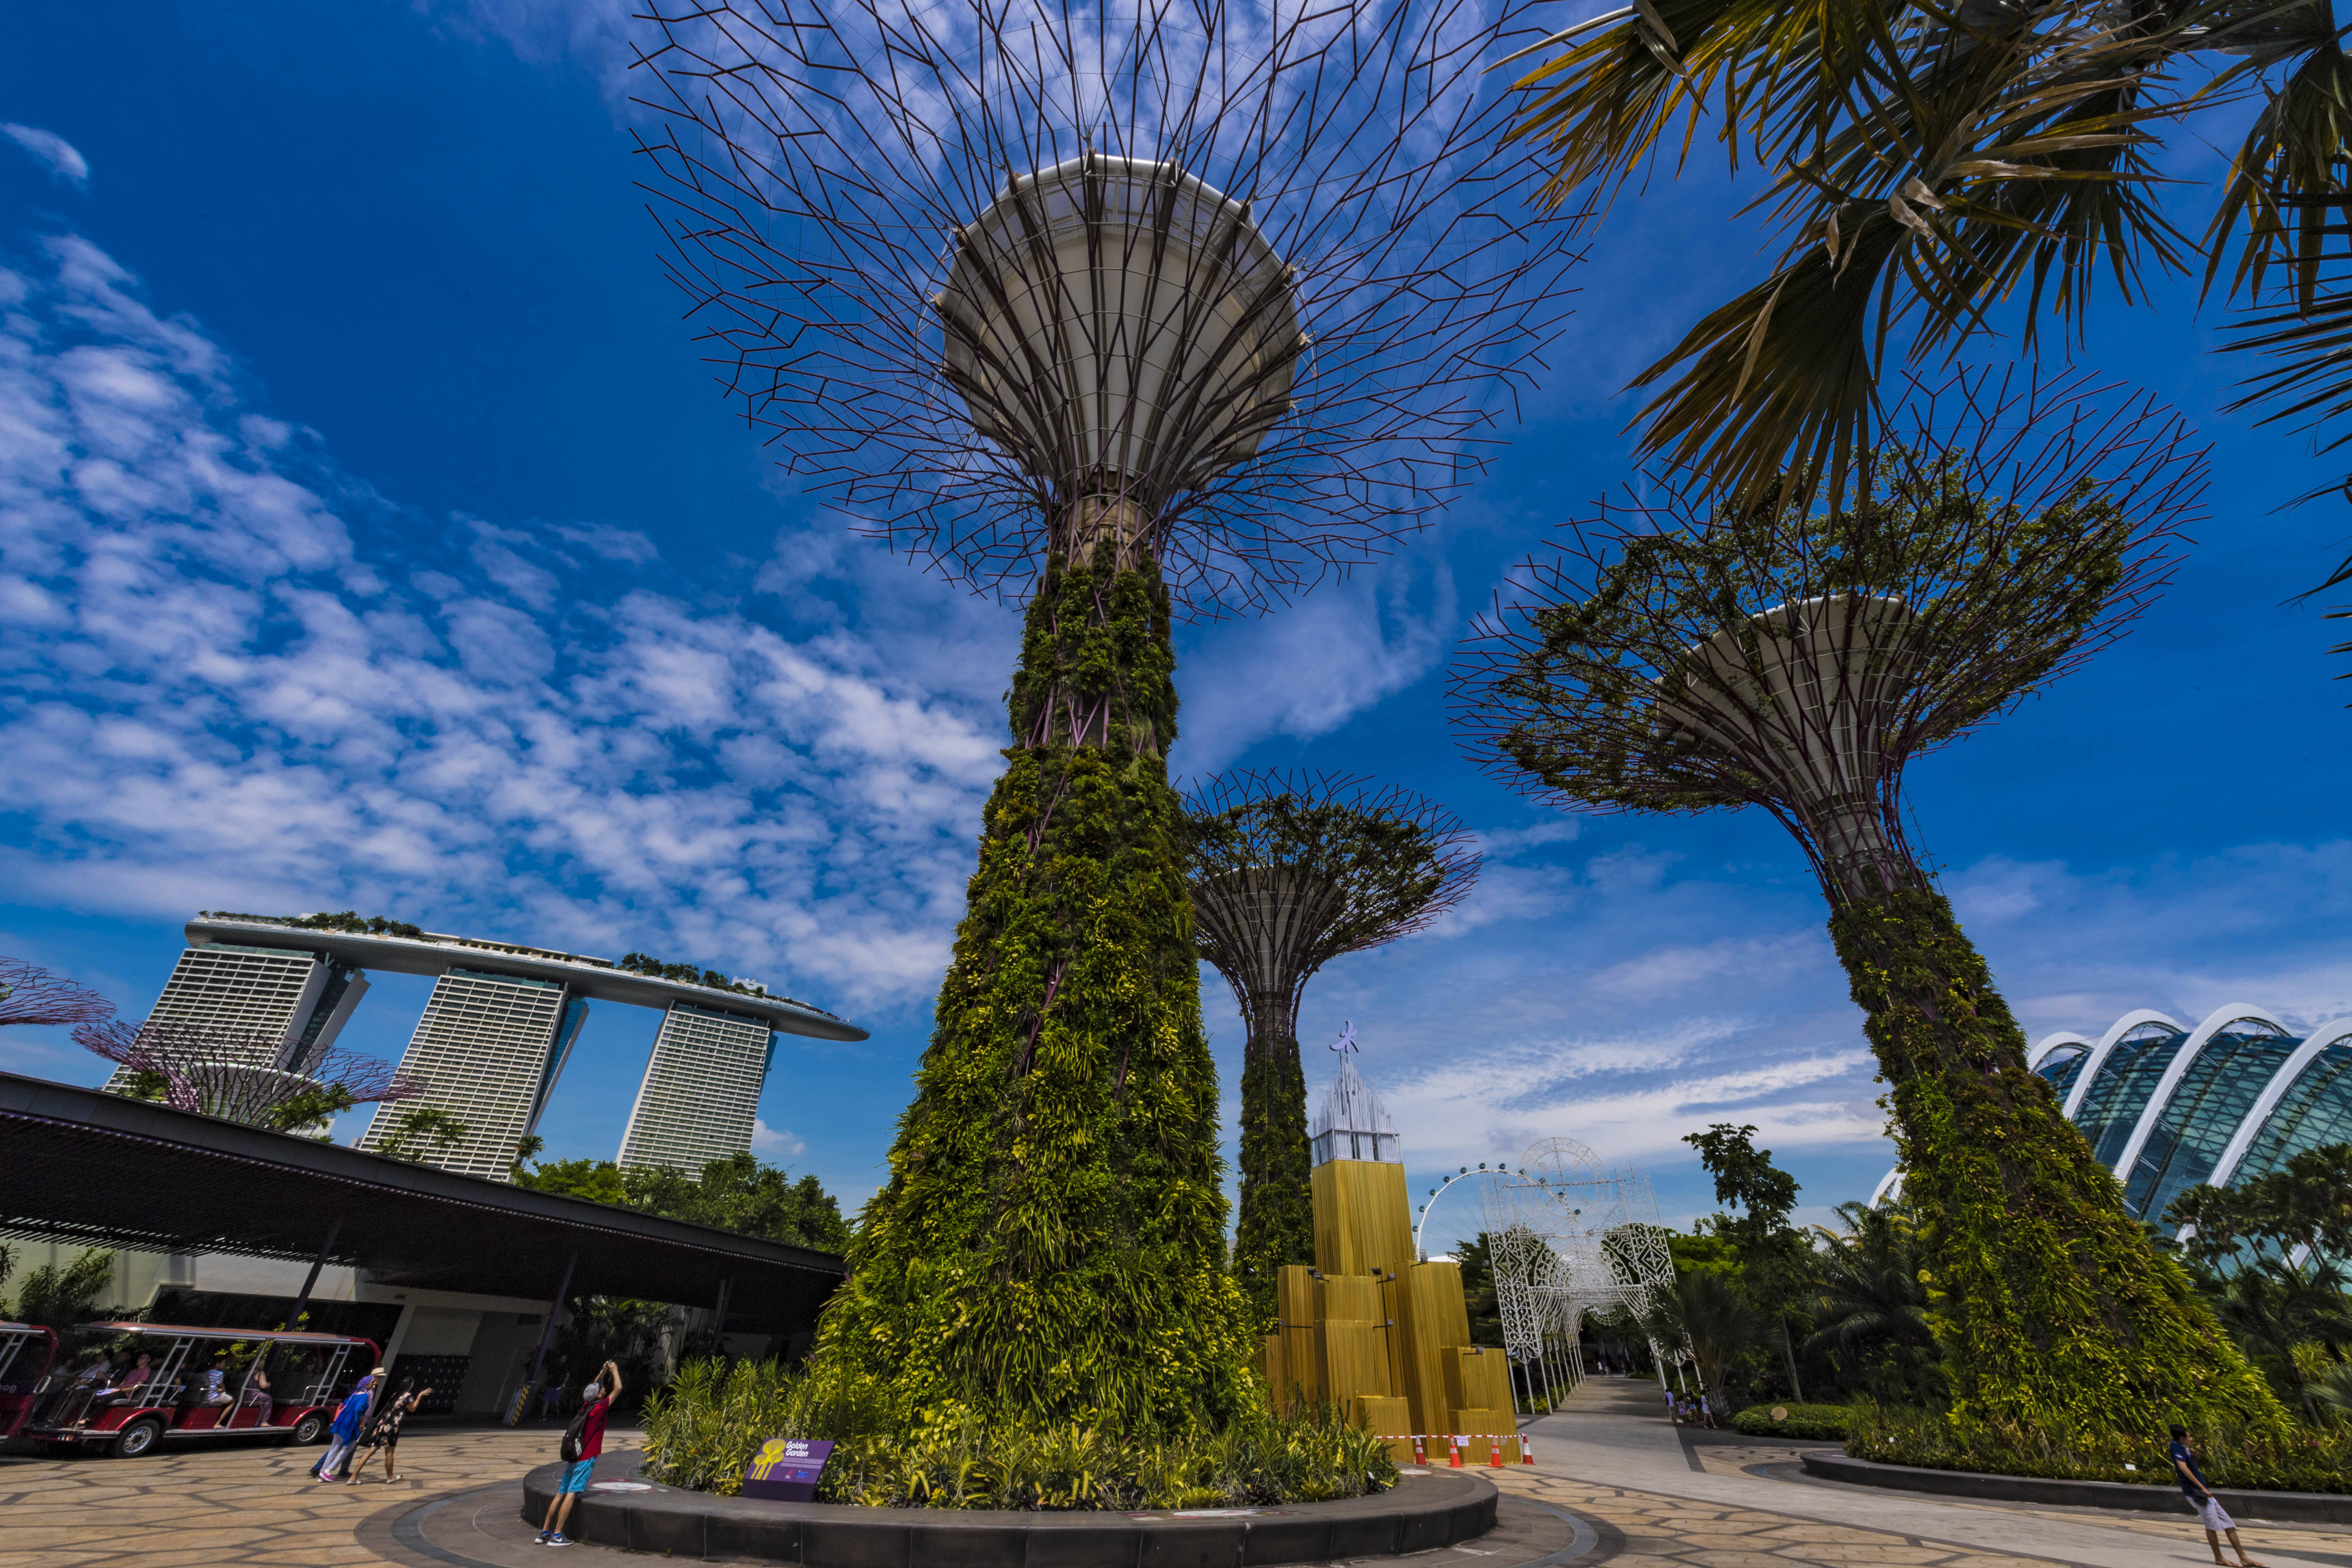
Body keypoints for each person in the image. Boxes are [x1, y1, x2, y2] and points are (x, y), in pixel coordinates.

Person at [536, 1359, 621, 1547]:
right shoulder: (599, 1408)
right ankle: (558, 1535)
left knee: (561, 1493)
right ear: (598, 1394)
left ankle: (544, 1533)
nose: (602, 1389)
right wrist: (614, 1371)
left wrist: (601, 1371)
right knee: (572, 1494)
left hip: (574, 1456)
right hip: (586, 1457)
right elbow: (618, 1389)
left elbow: (592, 1387)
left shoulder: (586, 1406)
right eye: (600, 1389)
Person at [2170, 1424, 2267, 1568]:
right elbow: (2183, 1468)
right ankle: (2219, 1558)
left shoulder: (2182, 1447)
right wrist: (2202, 1488)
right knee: (2211, 1526)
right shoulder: (2176, 1447)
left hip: (2204, 1493)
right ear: (2181, 1438)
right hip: (2197, 1494)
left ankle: (2244, 1559)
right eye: (2189, 1436)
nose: (2191, 1439)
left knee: (2229, 1524)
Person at [348, 1378, 431, 1484]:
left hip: (381, 1425)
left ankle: (353, 1477)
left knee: (370, 1452)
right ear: (411, 1385)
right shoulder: (407, 1396)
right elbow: (412, 1409)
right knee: (390, 1453)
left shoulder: (396, 1395)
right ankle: (390, 1476)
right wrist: (420, 1396)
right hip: (392, 1426)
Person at [312, 1372, 379, 1483]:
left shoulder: (355, 1394)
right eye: (372, 1382)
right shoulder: (364, 1396)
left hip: (340, 1423)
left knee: (335, 1448)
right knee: (348, 1448)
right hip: (350, 1425)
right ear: (366, 1384)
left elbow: (346, 1405)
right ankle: (329, 1471)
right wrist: (362, 1423)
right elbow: (358, 1411)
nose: (374, 1384)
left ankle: (323, 1473)